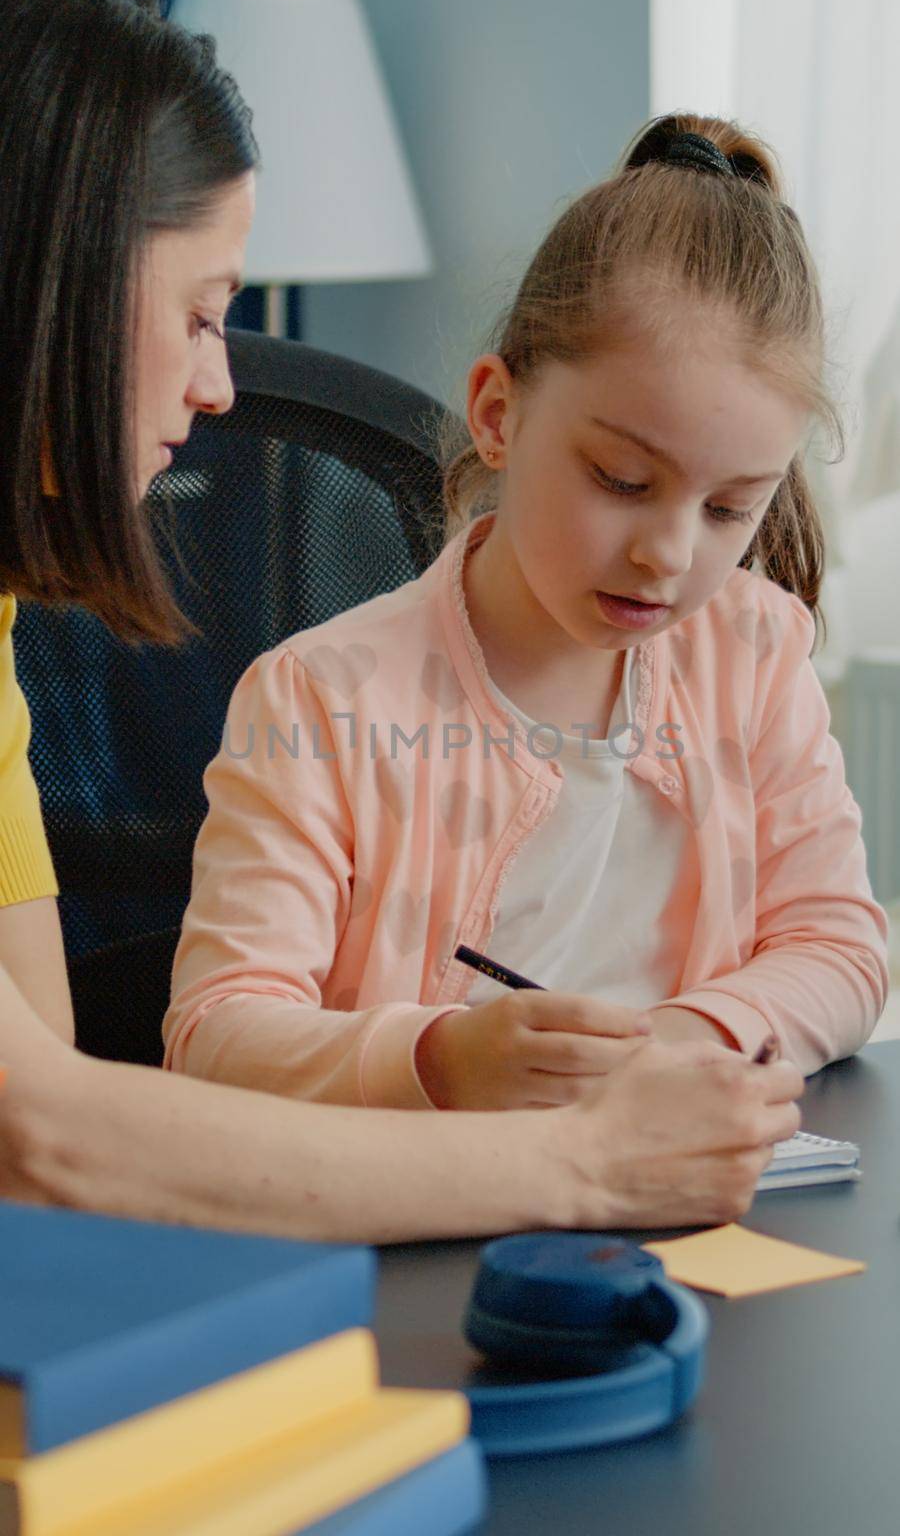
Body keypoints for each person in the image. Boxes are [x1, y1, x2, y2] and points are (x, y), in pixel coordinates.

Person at [0, 0, 804, 1242]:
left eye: (725, 507)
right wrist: (584, 1165)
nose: (219, 387)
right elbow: (39, 1142)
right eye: (204, 313)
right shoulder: (328, 693)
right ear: (60, 286)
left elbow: (45, 1111)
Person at [164, 114, 890, 1113]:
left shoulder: (753, 655)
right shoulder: (320, 701)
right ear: (498, 415)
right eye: (622, 479)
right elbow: (214, 1034)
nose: (668, 555)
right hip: (432, 1217)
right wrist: (440, 1059)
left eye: (730, 509)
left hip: (675, 1196)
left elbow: (842, 948)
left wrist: (677, 1041)